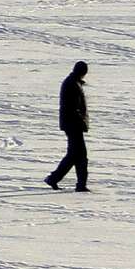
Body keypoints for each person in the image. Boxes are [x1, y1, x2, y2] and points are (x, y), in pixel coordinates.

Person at [45, 61, 90, 191]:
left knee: (78, 155)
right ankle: (55, 178)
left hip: (72, 124)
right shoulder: (72, 84)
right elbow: (73, 107)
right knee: (76, 155)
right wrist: (80, 121)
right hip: (73, 124)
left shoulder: (73, 82)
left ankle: (80, 184)